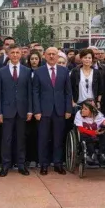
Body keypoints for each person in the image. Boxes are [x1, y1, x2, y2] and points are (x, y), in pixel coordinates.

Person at [32, 47, 72, 175]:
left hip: (60, 110)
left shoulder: (64, 71)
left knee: (58, 138)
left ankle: (58, 163)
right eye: (48, 54)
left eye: (53, 54)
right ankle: (44, 164)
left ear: (57, 56)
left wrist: (68, 109)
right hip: (43, 111)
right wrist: (37, 110)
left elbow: (68, 92)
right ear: (44, 56)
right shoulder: (39, 72)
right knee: (43, 138)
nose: (51, 56)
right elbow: (35, 93)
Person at [0, 44, 33, 177]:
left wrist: (30, 110)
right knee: (6, 139)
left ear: (21, 54)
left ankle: (21, 165)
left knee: (21, 139)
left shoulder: (27, 71)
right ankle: (5, 165)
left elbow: (29, 93)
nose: (15, 55)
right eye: (13, 53)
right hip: (6, 111)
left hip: (22, 110)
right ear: (8, 54)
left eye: (18, 52)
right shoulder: (1, 71)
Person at [74, 100, 105, 164]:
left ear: (91, 110)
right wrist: (93, 133)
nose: (82, 110)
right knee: (85, 136)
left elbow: (104, 121)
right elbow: (80, 129)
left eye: (85, 109)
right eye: (82, 108)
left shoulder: (98, 114)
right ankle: (92, 155)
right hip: (86, 134)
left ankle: (101, 154)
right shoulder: (79, 114)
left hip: (96, 134)